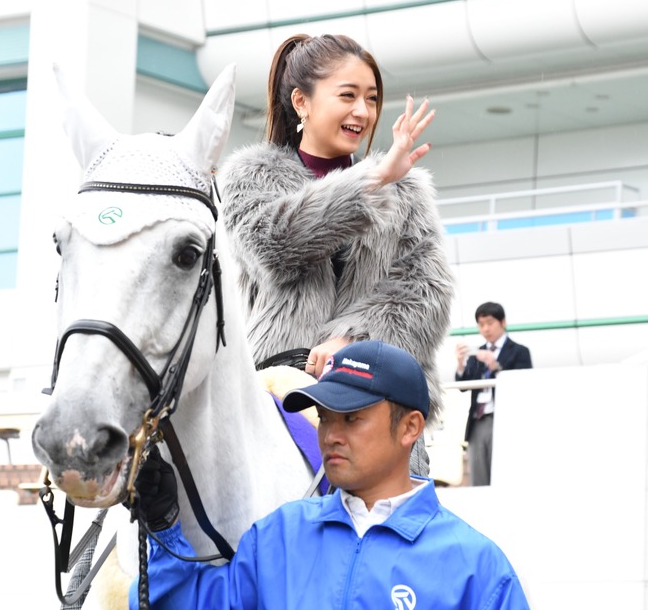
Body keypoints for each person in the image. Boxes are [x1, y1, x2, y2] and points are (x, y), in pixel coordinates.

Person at [129, 340, 529, 609]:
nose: (331, 435)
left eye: (352, 418)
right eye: (325, 417)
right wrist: (164, 527)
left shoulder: (477, 568)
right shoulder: (277, 537)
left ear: (410, 427)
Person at [217, 33, 454, 477]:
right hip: (281, 393)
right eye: (348, 95)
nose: (363, 112)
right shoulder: (247, 177)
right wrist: (369, 183)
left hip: (379, 395)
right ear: (301, 102)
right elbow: (274, 247)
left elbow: (427, 293)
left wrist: (354, 340)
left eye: (372, 98)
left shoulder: (405, 189)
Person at [455, 302, 533, 486]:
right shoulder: (478, 353)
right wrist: (460, 364)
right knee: (478, 475)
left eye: (490, 323)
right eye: (481, 325)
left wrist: (495, 365)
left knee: (505, 474)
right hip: (478, 420)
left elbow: (524, 383)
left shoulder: (519, 351)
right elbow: (463, 385)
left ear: (502, 322)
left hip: (505, 418)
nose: (486, 329)